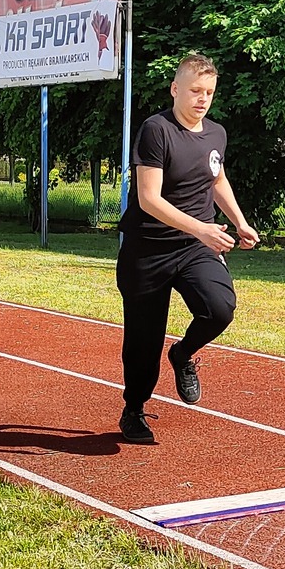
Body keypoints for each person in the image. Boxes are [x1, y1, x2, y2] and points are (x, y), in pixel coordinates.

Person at [114, 53, 259, 445]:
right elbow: (149, 199)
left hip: (194, 247)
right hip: (148, 249)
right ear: (175, 89)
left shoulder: (216, 134)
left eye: (209, 92)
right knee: (144, 338)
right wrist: (203, 229)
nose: (202, 99)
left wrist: (240, 221)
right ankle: (135, 409)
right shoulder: (155, 130)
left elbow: (216, 180)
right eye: (195, 90)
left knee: (219, 307)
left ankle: (183, 355)